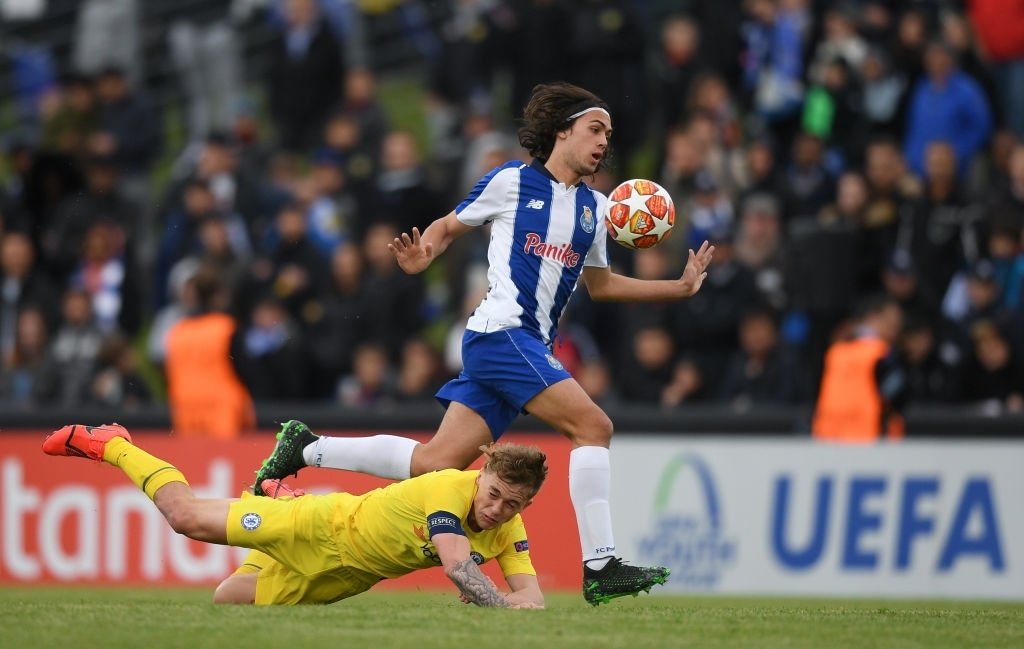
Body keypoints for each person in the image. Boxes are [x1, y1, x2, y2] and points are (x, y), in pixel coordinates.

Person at [254, 82, 714, 604]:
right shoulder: (512, 182)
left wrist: (676, 287)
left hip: (523, 345)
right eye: (595, 129)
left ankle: (307, 447)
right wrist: (424, 252)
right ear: (562, 131)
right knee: (594, 426)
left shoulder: (596, 210)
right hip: (501, 335)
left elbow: (602, 285)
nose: (604, 141)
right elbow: (449, 226)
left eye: (609, 133)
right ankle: (601, 564)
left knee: (435, 464)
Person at [41, 423, 547, 608]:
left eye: (512, 504)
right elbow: (459, 567)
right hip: (319, 528)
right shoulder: (447, 489)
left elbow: (534, 596)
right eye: (495, 493)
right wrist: (505, 606)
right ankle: (114, 446)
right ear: (480, 476)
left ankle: (271, 497)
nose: (497, 509)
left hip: (345, 578)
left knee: (227, 599)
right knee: (184, 517)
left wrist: (518, 600)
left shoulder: (509, 528)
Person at [812, 294, 908, 443]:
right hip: (871, 440)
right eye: (892, 322)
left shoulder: (835, 352)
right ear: (874, 317)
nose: (896, 329)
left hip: (829, 440)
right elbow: (897, 395)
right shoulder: (883, 355)